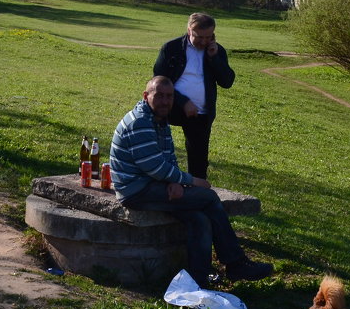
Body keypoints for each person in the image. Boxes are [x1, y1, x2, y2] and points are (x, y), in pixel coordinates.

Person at [109, 75, 273, 286]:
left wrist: (175, 182)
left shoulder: (159, 119)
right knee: (207, 196)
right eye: (159, 96)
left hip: (154, 184)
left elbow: (168, 157)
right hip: (136, 191)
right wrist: (191, 181)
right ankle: (235, 263)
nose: (165, 101)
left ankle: (198, 279)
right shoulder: (140, 122)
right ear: (146, 96)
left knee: (199, 218)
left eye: (169, 96)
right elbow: (154, 167)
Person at [153, 12, 234, 180]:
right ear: (189, 30)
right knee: (157, 149)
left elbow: (227, 82)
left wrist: (214, 58)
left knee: (198, 163)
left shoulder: (216, 51)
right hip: (168, 107)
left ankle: (196, 195)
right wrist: (183, 102)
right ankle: (159, 184)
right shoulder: (171, 48)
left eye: (208, 36)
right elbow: (158, 81)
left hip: (201, 114)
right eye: (199, 37)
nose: (204, 41)